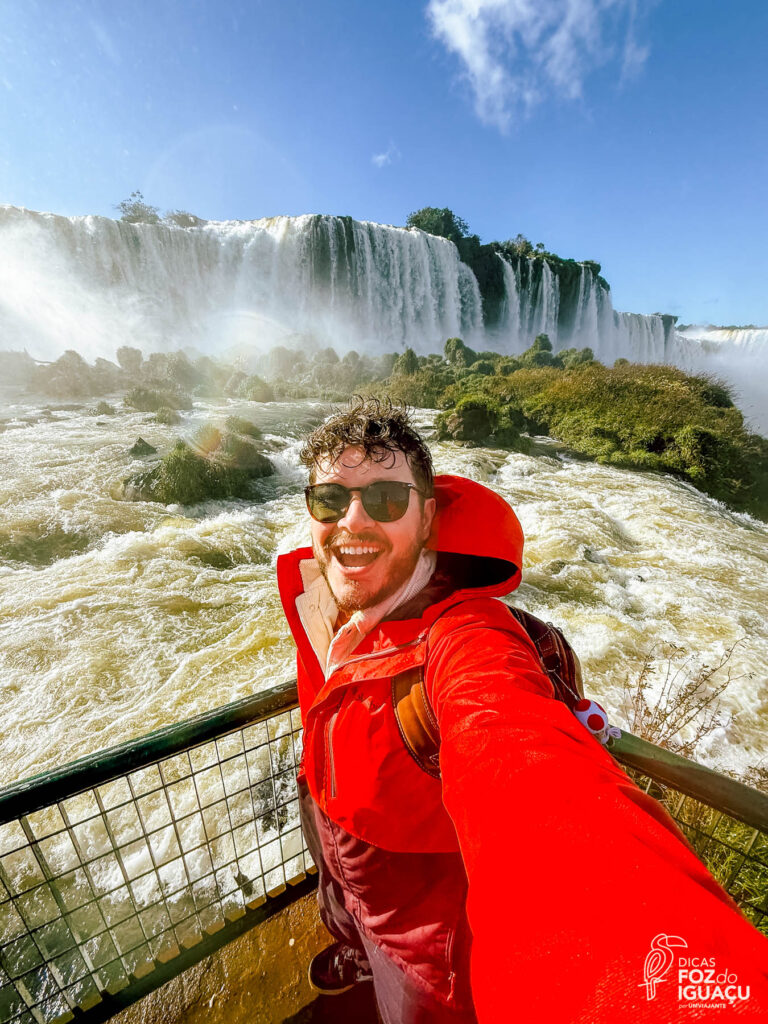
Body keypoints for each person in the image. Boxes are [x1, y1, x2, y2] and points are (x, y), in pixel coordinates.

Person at [277, 397, 768, 1022]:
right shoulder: (328, 590)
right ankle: (352, 948)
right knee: (343, 905)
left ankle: (378, 963)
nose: (352, 522)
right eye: (330, 499)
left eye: (384, 500)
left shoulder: (466, 640)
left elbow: (537, 789)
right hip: (337, 819)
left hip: (419, 921)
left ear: (427, 517)